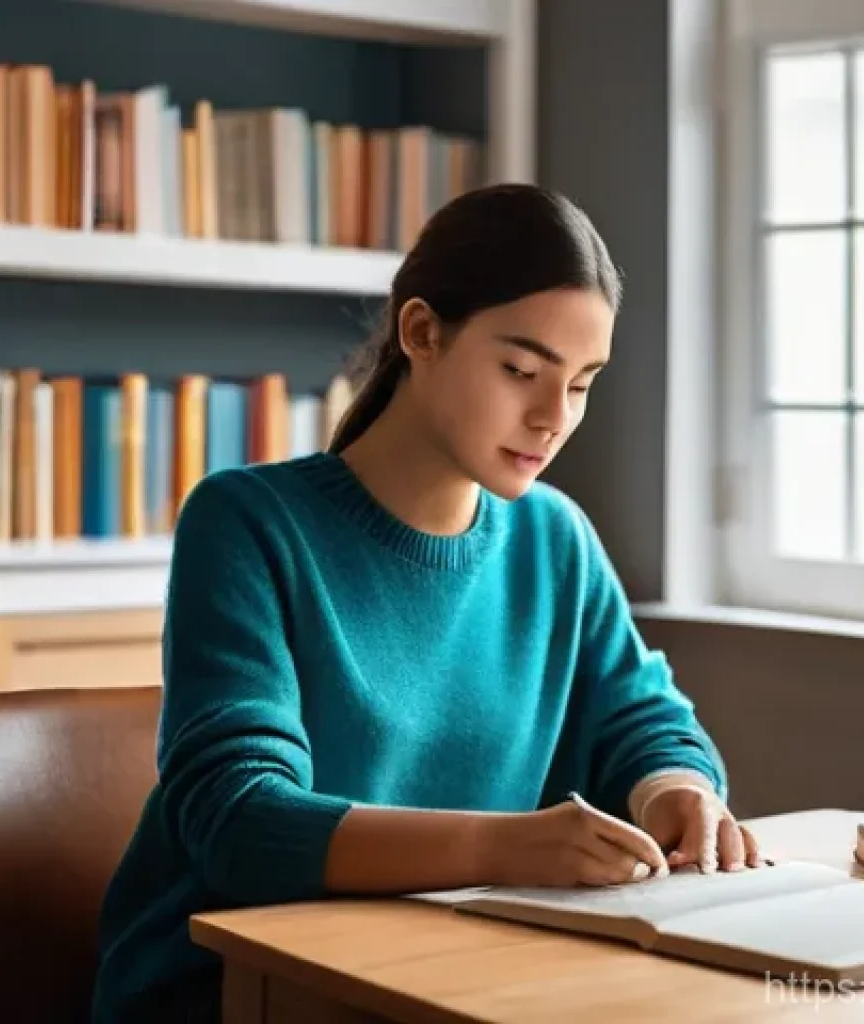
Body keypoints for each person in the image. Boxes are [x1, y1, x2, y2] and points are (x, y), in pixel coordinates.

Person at [90, 183, 760, 1023]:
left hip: (447, 975)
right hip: (227, 989)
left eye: (583, 384)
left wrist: (677, 793)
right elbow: (239, 822)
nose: (554, 417)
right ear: (421, 333)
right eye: (522, 370)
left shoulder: (555, 537)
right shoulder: (247, 523)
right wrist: (505, 846)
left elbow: (644, 724)